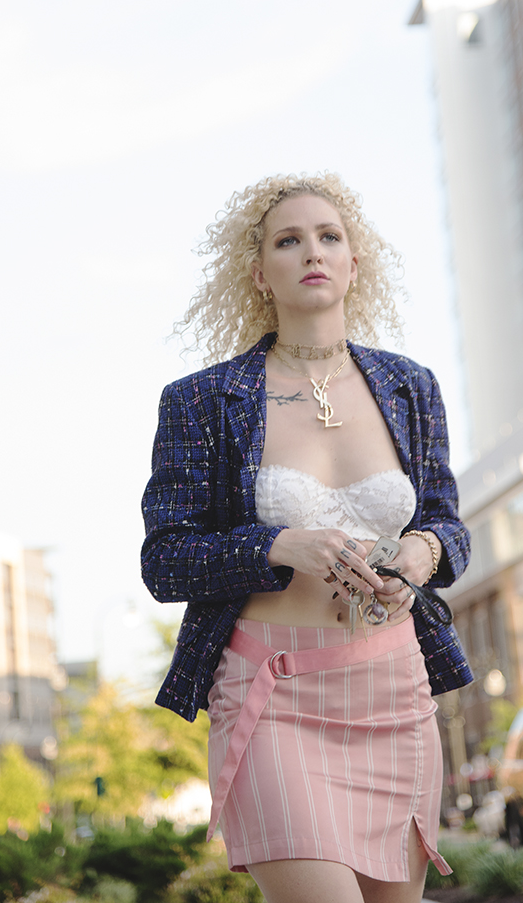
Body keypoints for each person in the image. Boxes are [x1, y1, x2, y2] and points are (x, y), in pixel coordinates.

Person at [141, 173, 472, 903]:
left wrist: (421, 555)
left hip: (395, 689)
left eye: (329, 237)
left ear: (355, 262)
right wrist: (277, 546)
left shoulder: (409, 387)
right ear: (260, 274)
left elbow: (447, 522)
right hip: (273, 698)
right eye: (288, 241)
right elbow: (165, 560)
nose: (312, 252)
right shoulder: (204, 400)